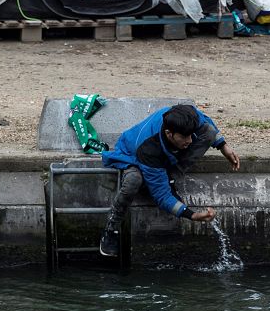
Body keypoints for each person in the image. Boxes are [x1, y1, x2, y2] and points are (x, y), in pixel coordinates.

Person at [99, 103, 240, 257]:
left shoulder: (186, 116)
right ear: (169, 133)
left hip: (162, 154)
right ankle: (111, 227)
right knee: (133, 180)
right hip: (133, 155)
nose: (190, 141)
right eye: (184, 137)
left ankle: (170, 177)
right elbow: (161, 195)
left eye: (190, 135)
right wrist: (192, 215)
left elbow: (206, 123)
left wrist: (223, 146)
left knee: (209, 132)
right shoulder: (148, 149)